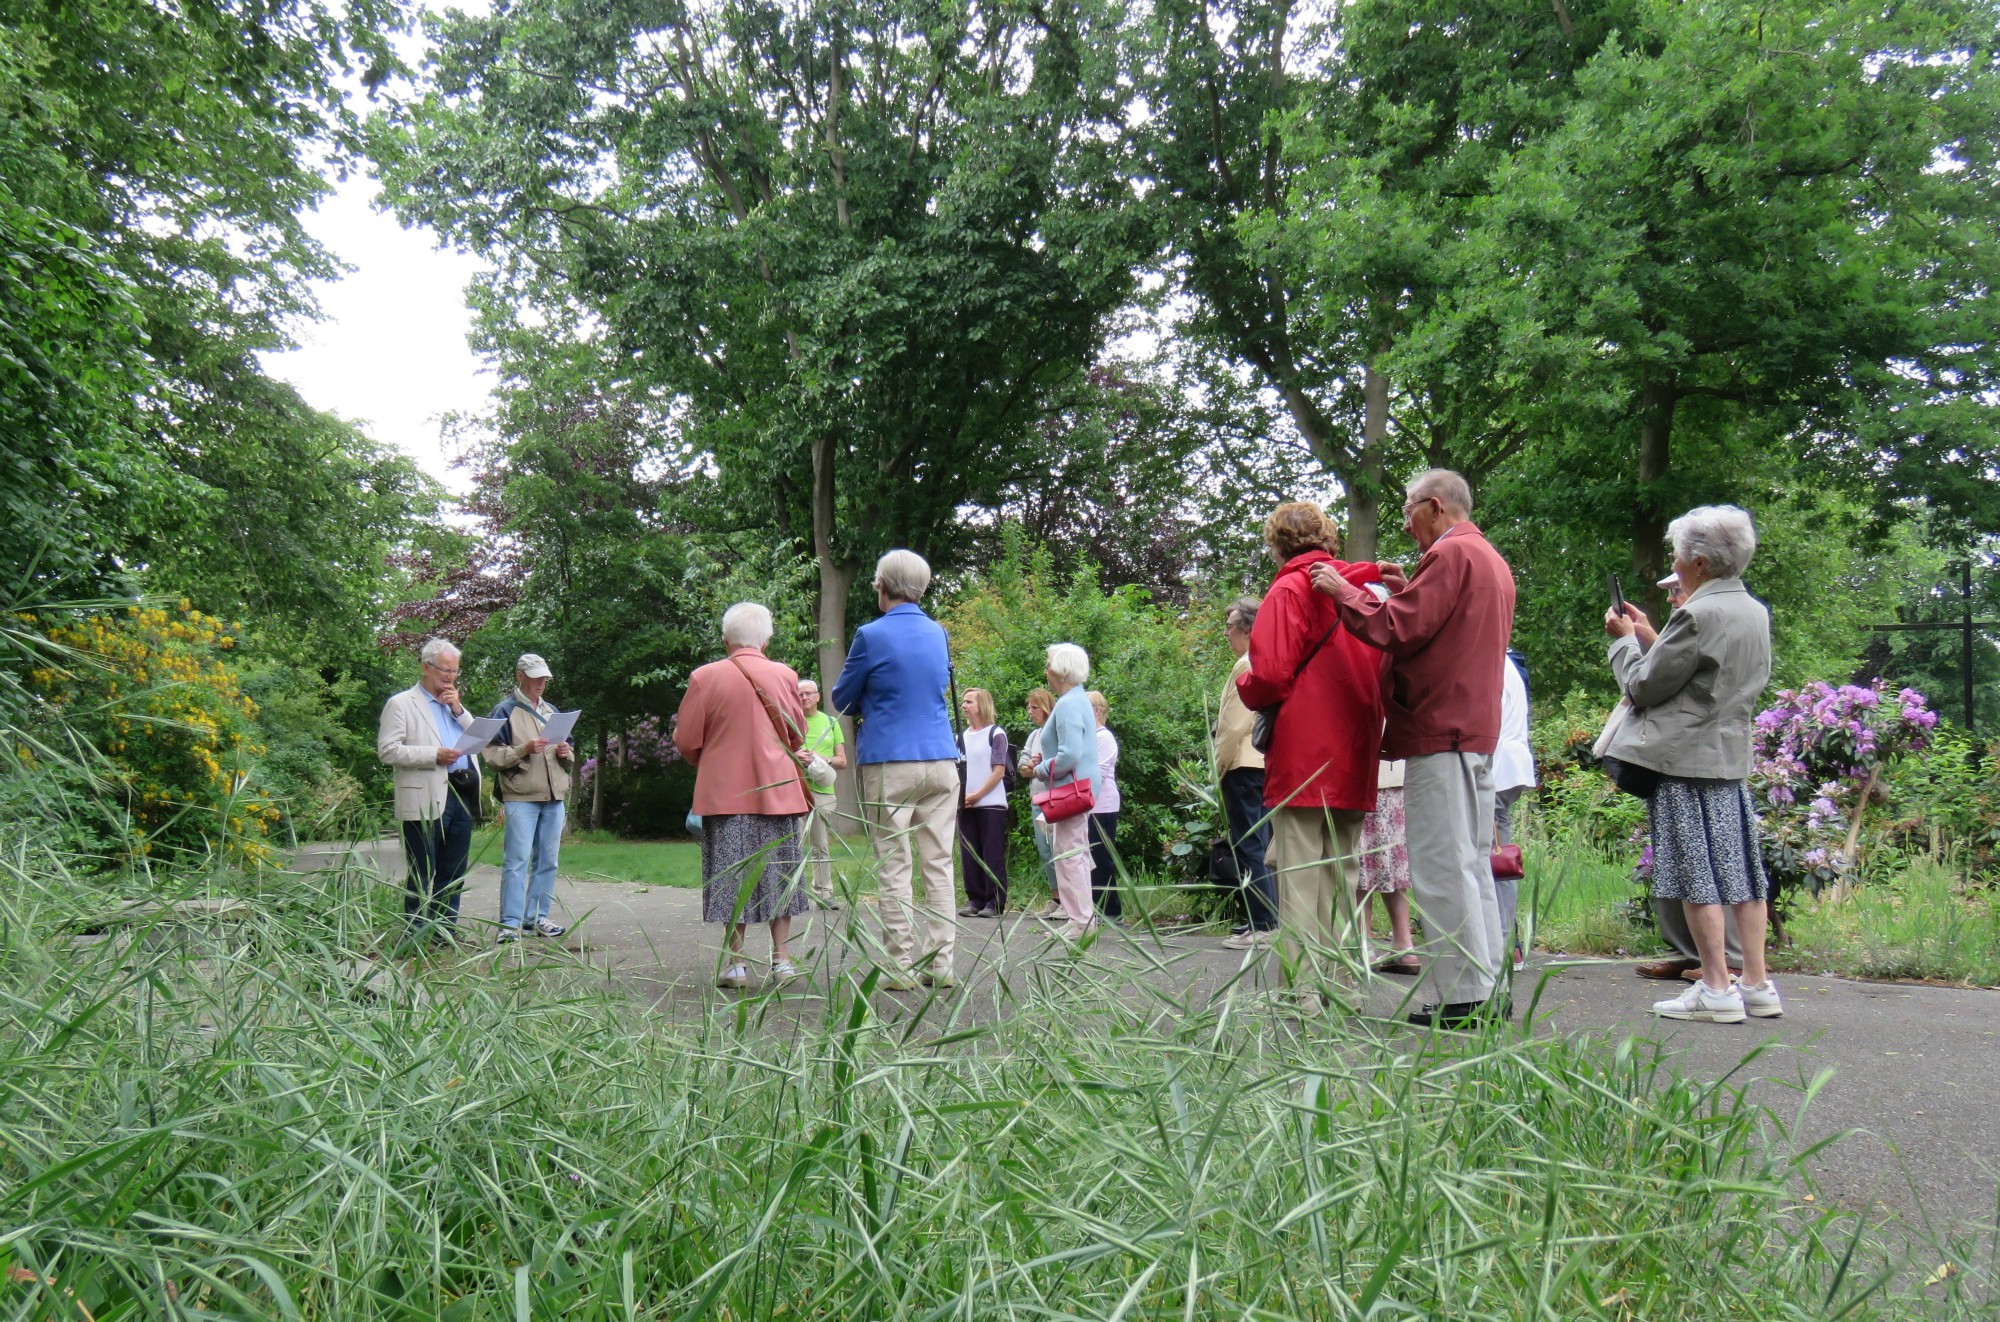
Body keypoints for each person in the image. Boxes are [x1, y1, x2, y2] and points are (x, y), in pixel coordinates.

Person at [1310, 470, 1516, 1028]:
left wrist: (1343, 591)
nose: (1404, 521)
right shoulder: (1489, 559)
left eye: (1407, 510)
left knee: (1441, 866)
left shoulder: (1451, 557)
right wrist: (1406, 591)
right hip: (1471, 731)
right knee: (1470, 863)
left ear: (1434, 506)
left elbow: (1402, 631)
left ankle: (1463, 998)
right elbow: (1441, 628)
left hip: (1440, 730)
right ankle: (1487, 987)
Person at [1603, 505, 1781, 1023]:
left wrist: (1622, 644)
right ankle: (1755, 983)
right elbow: (1702, 676)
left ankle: (1715, 989)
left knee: (1695, 876)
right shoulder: (1752, 610)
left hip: (1684, 765)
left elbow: (1641, 687)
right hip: (1729, 760)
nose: (1674, 566)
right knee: (1744, 874)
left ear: (1699, 563)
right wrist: (1650, 637)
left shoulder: (1697, 614)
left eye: (1679, 557)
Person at [1237, 502, 1387, 1003]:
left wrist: (1244, 683)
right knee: (1343, 875)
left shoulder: (1286, 590)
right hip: (1355, 745)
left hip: (1305, 749)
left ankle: (1301, 996)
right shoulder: (1360, 590)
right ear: (1329, 539)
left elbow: (1273, 674)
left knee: (1300, 876)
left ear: (1277, 543)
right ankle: (1344, 989)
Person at [831, 549, 961, 990]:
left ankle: (899, 964)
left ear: (881, 586)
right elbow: (937, 686)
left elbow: (842, 699)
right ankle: (941, 963)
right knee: (939, 863)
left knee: (894, 864)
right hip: (941, 758)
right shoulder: (939, 632)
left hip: (890, 761)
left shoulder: (870, 634)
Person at [673, 602, 812, 990]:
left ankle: (736, 964)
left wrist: (709, 758)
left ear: (725, 640)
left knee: (732, 875)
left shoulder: (704, 677)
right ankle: (781, 960)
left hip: (724, 796)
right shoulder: (785, 675)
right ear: (766, 641)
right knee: (781, 875)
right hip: (778, 792)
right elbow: (797, 734)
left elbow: (686, 740)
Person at [377, 638, 481, 946]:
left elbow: (477, 738)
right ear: (426, 667)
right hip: (424, 796)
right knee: (422, 870)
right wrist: (433, 755)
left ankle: (444, 934)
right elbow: (388, 750)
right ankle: (415, 936)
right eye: (445, 670)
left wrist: (458, 708)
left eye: (455, 671)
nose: (450, 677)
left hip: (461, 794)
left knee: (454, 870)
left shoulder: (455, 707)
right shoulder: (401, 704)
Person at [482, 652, 575, 943]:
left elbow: (569, 754)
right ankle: (509, 924)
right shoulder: (504, 710)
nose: (541, 682)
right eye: (535, 677)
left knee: (548, 860)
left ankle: (537, 918)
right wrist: (523, 749)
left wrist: (565, 753)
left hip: (553, 794)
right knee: (517, 861)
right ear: (520, 676)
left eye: (544, 677)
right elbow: (492, 756)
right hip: (520, 795)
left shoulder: (552, 711)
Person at [1215, 597, 1277, 951]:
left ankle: (1263, 924)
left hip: (1243, 766)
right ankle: (1263, 918)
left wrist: (1219, 766)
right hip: (1262, 766)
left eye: (1231, 627)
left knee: (1248, 844)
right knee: (1260, 842)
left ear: (1248, 631)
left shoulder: (1246, 664)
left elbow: (1232, 726)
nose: (1227, 633)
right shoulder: (1264, 659)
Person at [1041, 644, 1101, 941]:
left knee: (1070, 853)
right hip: (1080, 788)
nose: (1046, 669)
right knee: (1069, 851)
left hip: (1072, 790)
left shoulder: (1067, 704)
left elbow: (1069, 756)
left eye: (1048, 663)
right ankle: (1078, 916)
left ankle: (1081, 920)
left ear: (1062, 668)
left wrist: (1040, 769)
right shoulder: (1077, 699)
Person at [1491, 651, 1536, 969]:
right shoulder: (1507, 660)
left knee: (1491, 864)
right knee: (1500, 859)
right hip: (1513, 764)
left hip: (1496, 767)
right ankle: (1509, 946)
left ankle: (1504, 947)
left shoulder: (1490, 659)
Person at [1357, 757, 1418, 974]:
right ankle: (1404, 945)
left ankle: (1363, 947)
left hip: (1361, 773)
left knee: (1361, 861)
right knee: (1393, 860)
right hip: (1396, 773)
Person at [955, 687, 1011, 918]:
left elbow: (999, 771)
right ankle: (975, 898)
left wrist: (977, 794)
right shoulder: (959, 737)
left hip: (990, 803)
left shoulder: (996, 734)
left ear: (982, 705)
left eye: (969, 702)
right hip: (965, 804)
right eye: (963, 702)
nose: (964, 706)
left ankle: (994, 901)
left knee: (991, 852)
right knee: (969, 853)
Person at [798, 678, 848, 910]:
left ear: (818, 696)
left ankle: (824, 893)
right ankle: (791, 894)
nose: (804, 697)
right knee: (791, 845)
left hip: (822, 792)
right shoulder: (789, 722)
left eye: (809, 693)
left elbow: (842, 761)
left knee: (820, 845)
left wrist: (821, 758)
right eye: (800, 694)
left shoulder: (830, 722)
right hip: (793, 790)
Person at [1019, 688, 1060, 915]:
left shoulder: (1053, 734)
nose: (1030, 712)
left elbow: (1056, 764)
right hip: (1037, 799)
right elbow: (1022, 767)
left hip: (1055, 799)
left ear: (1045, 708)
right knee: (1044, 851)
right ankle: (1056, 898)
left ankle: (1068, 901)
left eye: (1034, 707)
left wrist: (1036, 766)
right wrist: (1035, 767)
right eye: (1028, 707)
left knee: (1058, 849)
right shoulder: (1034, 736)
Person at [1087, 690, 1123, 923]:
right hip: (1088, 806)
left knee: (1102, 859)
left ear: (1096, 711)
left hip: (1102, 806)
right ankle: (1094, 907)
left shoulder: (1103, 737)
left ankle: (1110, 910)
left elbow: (1097, 774)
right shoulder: (1089, 738)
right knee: (1089, 859)